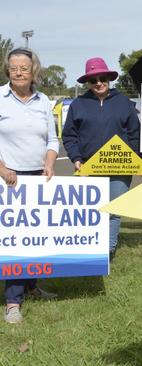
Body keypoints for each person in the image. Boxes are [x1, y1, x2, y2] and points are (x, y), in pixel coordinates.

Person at [0, 47, 59, 323]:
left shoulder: (43, 100)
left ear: (33, 70)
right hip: (8, 180)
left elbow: (52, 140)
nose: (19, 72)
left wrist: (49, 161)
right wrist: (3, 168)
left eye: (24, 67)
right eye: (14, 68)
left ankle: (31, 285)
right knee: (16, 240)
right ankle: (13, 302)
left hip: (38, 177)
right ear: (7, 71)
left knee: (36, 235)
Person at [62, 57, 141, 261]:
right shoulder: (78, 104)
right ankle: (90, 247)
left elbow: (135, 134)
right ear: (87, 82)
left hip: (120, 169)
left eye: (102, 78)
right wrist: (76, 158)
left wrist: (137, 159)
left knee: (113, 210)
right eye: (93, 79)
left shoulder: (124, 103)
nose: (98, 82)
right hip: (89, 166)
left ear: (109, 78)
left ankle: (107, 251)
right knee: (91, 211)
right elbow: (69, 136)